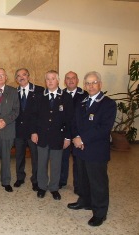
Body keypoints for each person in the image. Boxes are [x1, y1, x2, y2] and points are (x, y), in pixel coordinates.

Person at [68, 71, 116, 227]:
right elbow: (74, 122)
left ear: (100, 84)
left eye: (94, 82)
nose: (91, 86)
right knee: (81, 179)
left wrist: (82, 138)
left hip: (96, 151)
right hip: (80, 149)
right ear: (84, 85)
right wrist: (75, 137)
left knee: (98, 183)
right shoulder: (81, 102)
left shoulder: (108, 104)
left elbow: (104, 128)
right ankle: (84, 201)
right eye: (88, 83)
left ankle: (100, 212)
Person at [32, 70, 73, 200]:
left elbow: (69, 119)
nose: (50, 81)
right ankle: (42, 187)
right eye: (48, 79)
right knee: (41, 163)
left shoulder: (65, 97)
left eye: (53, 79)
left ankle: (54, 188)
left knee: (56, 164)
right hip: (42, 136)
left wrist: (67, 137)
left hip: (58, 137)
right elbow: (33, 116)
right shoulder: (39, 96)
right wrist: (33, 132)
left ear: (58, 81)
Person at [13, 68, 44, 191]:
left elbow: (41, 113)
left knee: (36, 157)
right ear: (16, 79)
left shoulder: (40, 90)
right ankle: (20, 177)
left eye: (24, 75)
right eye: (19, 76)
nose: (22, 77)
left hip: (34, 131)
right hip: (19, 131)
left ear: (29, 76)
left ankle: (35, 180)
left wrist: (35, 131)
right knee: (19, 155)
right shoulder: (13, 92)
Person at [59, 71, 87, 194]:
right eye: (68, 78)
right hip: (64, 133)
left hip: (78, 134)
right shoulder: (60, 94)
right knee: (62, 158)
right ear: (64, 81)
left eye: (73, 78)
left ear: (77, 80)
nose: (70, 80)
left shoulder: (85, 95)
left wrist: (79, 135)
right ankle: (61, 181)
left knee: (78, 161)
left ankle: (78, 185)